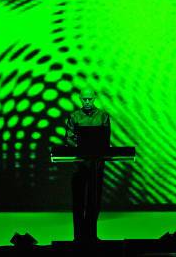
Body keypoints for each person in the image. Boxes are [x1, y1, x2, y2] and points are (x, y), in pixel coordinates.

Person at [65, 88, 110, 242]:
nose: (87, 102)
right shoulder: (74, 116)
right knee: (78, 202)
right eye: (84, 99)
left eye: (89, 99)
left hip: (96, 165)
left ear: (94, 98)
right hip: (79, 165)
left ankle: (91, 236)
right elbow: (69, 138)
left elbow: (106, 140)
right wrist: (81, 147)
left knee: (94, 201)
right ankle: (78, 237)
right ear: (80, 99)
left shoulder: (103, 116)